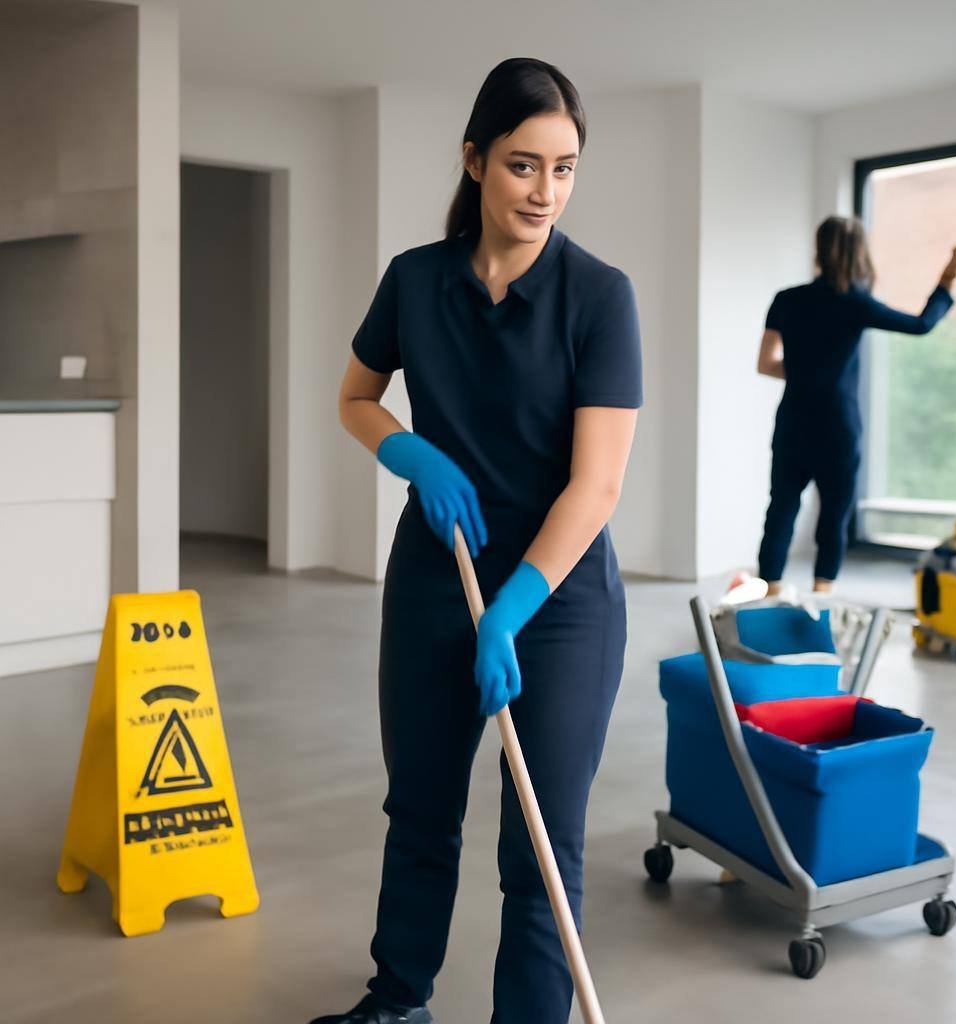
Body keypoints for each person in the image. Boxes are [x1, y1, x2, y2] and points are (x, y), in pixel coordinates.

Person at [310, 58, 642, 1024]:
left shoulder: (599, 296)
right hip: (433, 579)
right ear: (475, 161)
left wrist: (512, 609)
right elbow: (355, 399)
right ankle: (398, 997)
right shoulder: (415, 281)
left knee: (541, 845)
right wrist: (407, 450)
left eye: (565, 169)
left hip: (558, 600)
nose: (545, 193)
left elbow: (600, 484)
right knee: (419, 808)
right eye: (523, 165)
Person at [756, 215, 956, 594]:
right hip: (838, 426)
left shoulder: (786, 299)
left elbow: (767, 364)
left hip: (793, 422)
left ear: (819, 250)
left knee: (781, 510)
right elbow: (922, 324)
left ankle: (770, 595)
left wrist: (808, 370)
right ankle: (822, 600)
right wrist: (948, 276)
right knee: (834, 517)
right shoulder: (857, 304)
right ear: (859, 253)